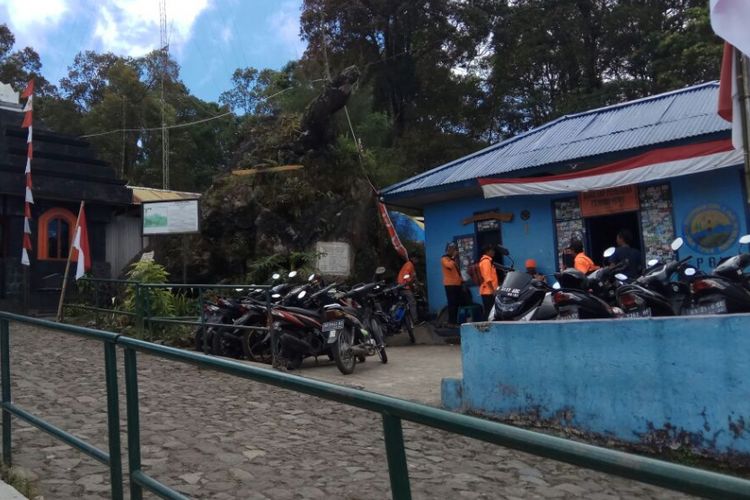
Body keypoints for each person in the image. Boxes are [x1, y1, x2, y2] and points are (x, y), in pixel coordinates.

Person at [441, 242, 462, 325]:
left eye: (455, 249)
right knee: (452, 303)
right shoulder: (444, 258)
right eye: (453, 249)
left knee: (456, 304)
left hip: (457, 284)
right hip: (450, 285)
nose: (454, 251)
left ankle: (454, 321)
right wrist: (453, 258)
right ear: (448, 249)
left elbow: (457, 271)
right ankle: (451, 322)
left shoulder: (453, 259)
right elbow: (449, 266)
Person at [479, 244, 499, 319]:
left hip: (489, 291)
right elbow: (487, 278)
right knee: (489, 311)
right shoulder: (486, 262)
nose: (494, 252)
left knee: (490, 311)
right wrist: (493, 290)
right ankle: (484, 328)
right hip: (488, 291)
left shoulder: (489, 261)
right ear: (487, 251)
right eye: (492, 250)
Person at [397, 255, 419, 322]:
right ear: (412, 258)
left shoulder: (410, 265)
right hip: (404, 286)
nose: (417, 261)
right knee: (412, 302)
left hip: (403, 286)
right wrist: (411, 284)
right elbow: (406, 276)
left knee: (406, 303)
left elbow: (413, 277)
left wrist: (418, 283)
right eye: (416, 259)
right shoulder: (409, 265)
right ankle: (415, 320)